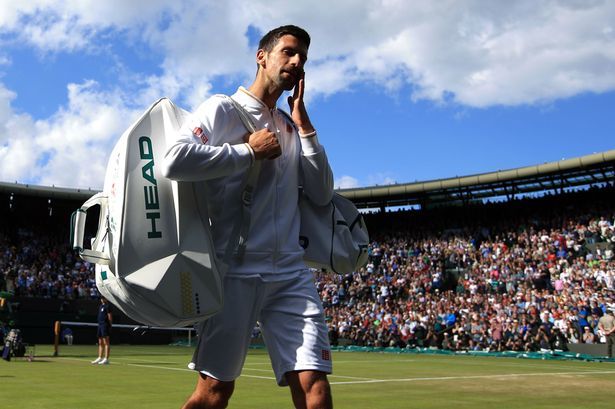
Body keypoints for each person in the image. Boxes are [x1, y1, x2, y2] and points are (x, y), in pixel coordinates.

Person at [163, 25, 334, 409]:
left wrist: (305, 126)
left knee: (315, 387)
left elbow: (322, 194)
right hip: (234, 272)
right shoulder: (223, 108)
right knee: (214, 392)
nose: (296, 62)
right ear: (262, 56)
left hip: (290, 273)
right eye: (289, 52)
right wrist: (247, 152)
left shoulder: (292, 127)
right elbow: (173, 160)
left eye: (303, 58)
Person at [91, 297, 112, 365]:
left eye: (103, 298)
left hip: (105, 325)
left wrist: (109, 325)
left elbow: (110, 317)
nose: (102, 299)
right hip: (100, 325)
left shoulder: (108, 306)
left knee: (106, 342)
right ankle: (100, 357)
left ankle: (106, 359)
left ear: (106, 299)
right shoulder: (101, 306)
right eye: (101, 298)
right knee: (100, 342)